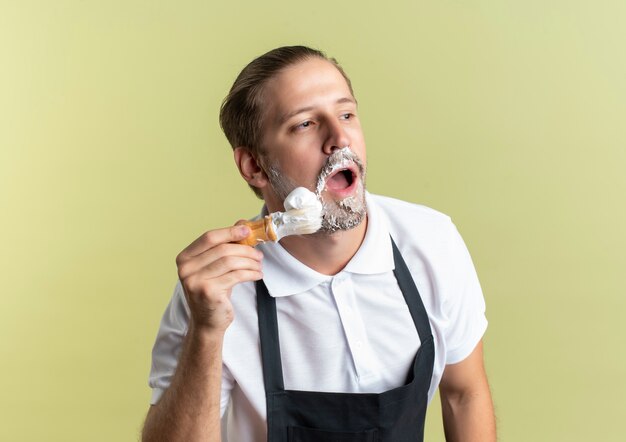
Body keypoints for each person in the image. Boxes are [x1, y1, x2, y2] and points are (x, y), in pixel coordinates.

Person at [141, 46, 496, 442]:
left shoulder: (431, 241)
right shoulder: (215, 292)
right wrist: (206, 332)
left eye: (346, 114)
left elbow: (464, 394)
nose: (340, 137)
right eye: (306, 124)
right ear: (254, 166)